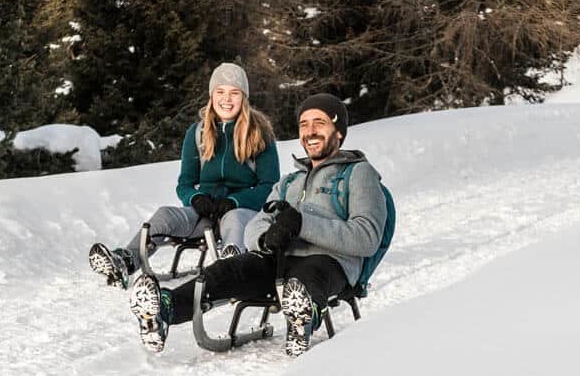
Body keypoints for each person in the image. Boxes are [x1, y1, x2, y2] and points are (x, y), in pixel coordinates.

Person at [128, 93, 388, 357]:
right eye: (304, 124)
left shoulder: (358, 173)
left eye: (319, 123)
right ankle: (165, 308)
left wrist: (301, 224)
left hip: (330, 263)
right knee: (226, 270)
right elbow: (258, 221)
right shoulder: (289, 181)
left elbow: (367, 237)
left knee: (309, 274)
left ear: (339, 133)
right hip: (278, 262)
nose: (310, 131)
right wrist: (265, 238)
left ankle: (303, 318)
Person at [88, 63, 280, 288]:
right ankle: (126, 260)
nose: (226, 99)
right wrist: (195, 199)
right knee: (165, 215)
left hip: (242, 211)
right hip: (205, 211)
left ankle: (233, 265)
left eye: (234, 93)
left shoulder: (259, 135)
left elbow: (270, 186)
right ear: (211, 95)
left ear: (243, 97)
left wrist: (235, 201)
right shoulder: (197, 133)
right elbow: (185, 184)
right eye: (220, 92)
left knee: (235, 221)